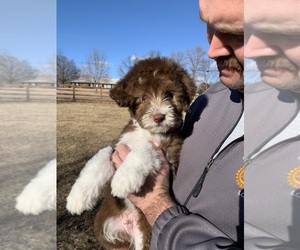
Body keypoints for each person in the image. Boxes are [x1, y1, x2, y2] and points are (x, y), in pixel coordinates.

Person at [112, 0, 244, 249]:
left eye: (237, 31)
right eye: (210, 27)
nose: (212, 50)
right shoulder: (208, 100)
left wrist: (156, 206)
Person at [244, 0, 300, 249]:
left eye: (286, 30)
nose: (250, 50)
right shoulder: (252, 97)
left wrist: (162, 213)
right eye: (250, 30)